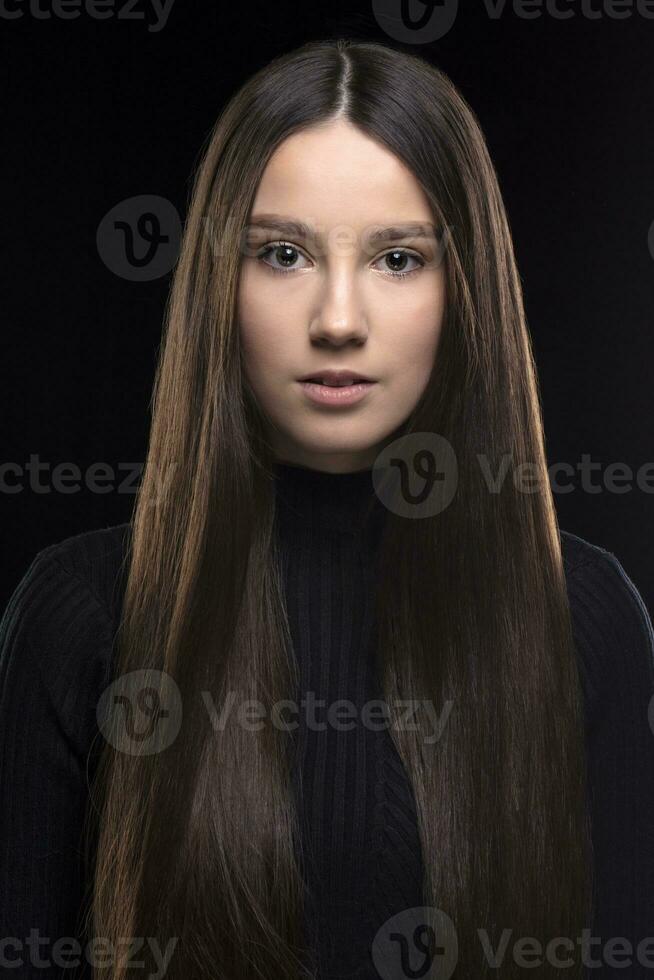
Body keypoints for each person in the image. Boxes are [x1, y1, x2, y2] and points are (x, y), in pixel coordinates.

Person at [2, 37, 654, 980]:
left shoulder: (582, 617)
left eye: (397, 257)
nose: (338, 318)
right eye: (283, 253)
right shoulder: (82, 615)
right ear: (217, 285)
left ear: (465, 290)